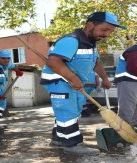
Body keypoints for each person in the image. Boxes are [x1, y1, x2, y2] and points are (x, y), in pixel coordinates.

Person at [40, 11, 126, 155]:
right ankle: (72, 145)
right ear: (90, 25)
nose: (107, 34)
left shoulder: (91, 43)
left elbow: (96, 62)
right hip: (60, 82)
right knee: (68, 112)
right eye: (104, 30)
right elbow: (54, 62)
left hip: (74, 83)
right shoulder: (71, 40)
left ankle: (58, 139)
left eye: (110, 31)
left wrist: (105, 78)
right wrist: (73, 78)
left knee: (73, 110)